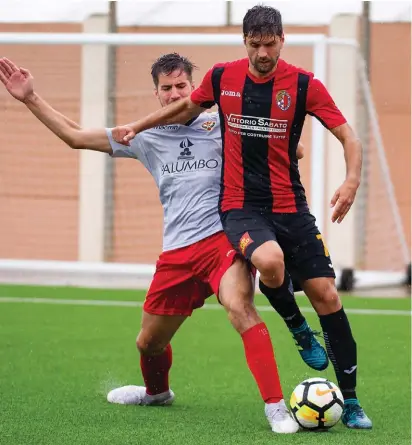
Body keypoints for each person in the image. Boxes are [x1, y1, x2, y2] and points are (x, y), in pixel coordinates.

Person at [0, 54, 302, 434]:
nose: (175, 93)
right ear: (157, 93)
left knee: (240, 307)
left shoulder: (224, 124)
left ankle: (276, 408)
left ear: (194, 88)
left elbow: (288, 150)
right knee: (148, 344)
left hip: (222, 242)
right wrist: (30, 98)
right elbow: (75, 136)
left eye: (182, 86)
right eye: (167, 88)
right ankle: (157, 393)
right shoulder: (142, 136)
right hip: (177, 254)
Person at [110, 5, 372, 430]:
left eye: (270, 44)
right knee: (268, 262)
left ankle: (353, 400)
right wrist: (138, 125)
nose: (263, 53)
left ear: (282, 40)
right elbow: (184, 111)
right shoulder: (222, 77)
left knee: (327, 295)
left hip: (291, 206)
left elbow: (348, 135)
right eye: (255, 45)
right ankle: (295, 325)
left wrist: (351, 180)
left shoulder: (305, 85)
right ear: (245, 42)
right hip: (241, 208)